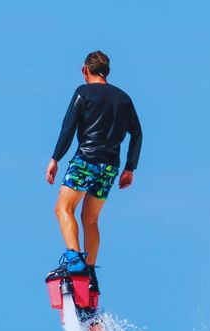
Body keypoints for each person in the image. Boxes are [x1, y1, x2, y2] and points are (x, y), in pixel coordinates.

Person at [46, 50, 142, 289]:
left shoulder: (83, 92)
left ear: (84, 70)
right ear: (106, 71)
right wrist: (130, 167)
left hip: (86, 161)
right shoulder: (123, 98)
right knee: (91, 218)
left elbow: (68, 127)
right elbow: (137, 133)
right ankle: (90, 275)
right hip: (110, 166)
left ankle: (74, 260)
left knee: (63, 208)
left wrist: (55, 158)